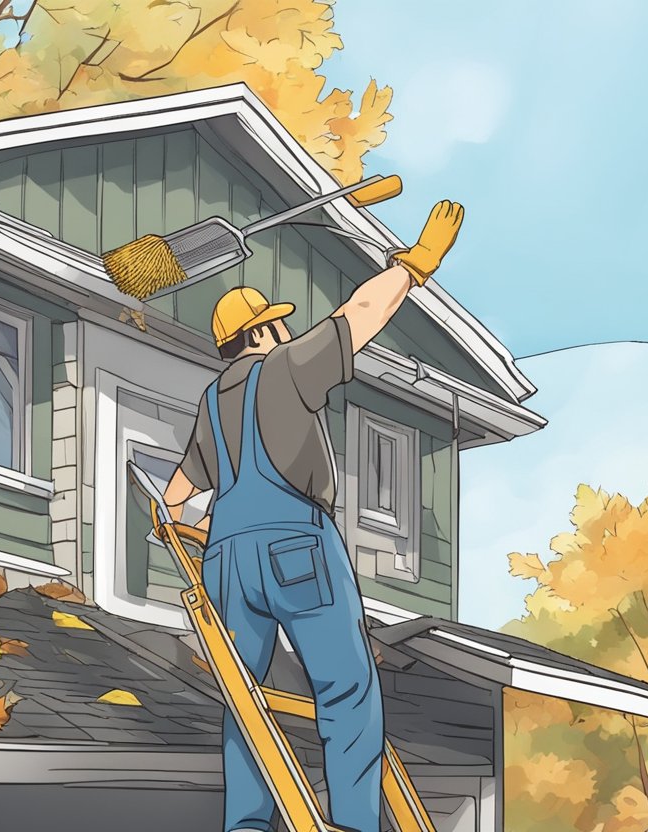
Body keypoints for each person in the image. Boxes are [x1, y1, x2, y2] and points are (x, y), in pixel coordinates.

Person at [162, 201, 465, 832]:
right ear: (262, 335)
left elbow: (178, 491)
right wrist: (413, 266)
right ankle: (353, 825)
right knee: (346, 693)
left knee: (245, 703)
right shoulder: (288, 368)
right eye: (276, 325)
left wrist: (188, 533)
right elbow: (359, 314)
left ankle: (246, 825)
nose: (283, 332)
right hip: (295, 547)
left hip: (222, 559)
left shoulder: (210, 404)